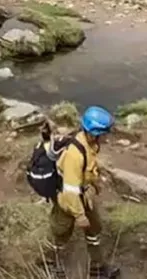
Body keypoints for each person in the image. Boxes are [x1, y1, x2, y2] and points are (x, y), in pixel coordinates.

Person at [42, 107, 120, 279]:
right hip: (68, 201)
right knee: (60, 233)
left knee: (94, 230)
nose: (106, 137)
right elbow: (70, 191)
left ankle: (97, 268)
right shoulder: (74, 155)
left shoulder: (91, 145)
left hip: (85, 196)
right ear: (94, 133)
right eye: (103, 133)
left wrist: (95, 182)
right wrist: (79, 215)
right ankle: (48, 263)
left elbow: (89, 169)